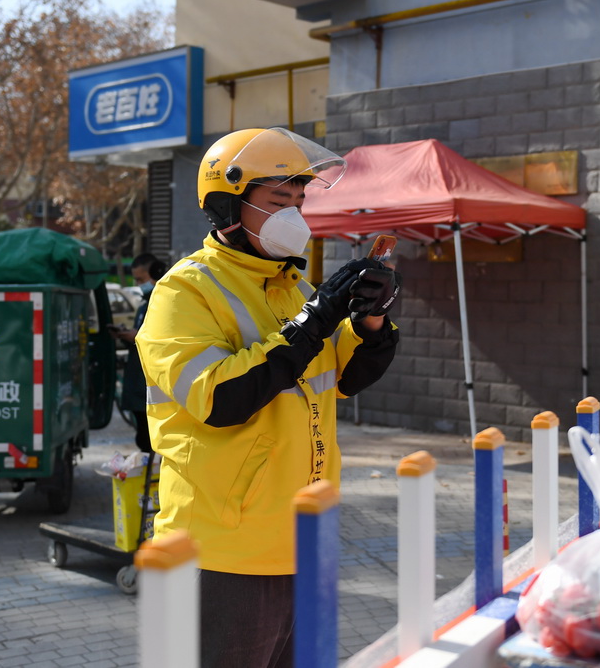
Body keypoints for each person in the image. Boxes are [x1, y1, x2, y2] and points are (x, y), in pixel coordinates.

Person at [136, 127, 400, 667]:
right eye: (280, 200)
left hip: (303, 542)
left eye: (300, 201)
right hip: (222, 551)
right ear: (228, 204)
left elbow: (343, 375)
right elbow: (223, 397)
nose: (295, 216)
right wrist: (316, 318)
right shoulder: (184, 291)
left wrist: (369, 321)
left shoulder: (291, 289)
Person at [109, 253, 167, 453]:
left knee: (151, 442)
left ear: (157, 273)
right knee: (143, 439)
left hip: (151, 388)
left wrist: (137, 336)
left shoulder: (165, 302)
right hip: (139, 386)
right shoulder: (144, 303)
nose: (138, 284)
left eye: (141, 279)